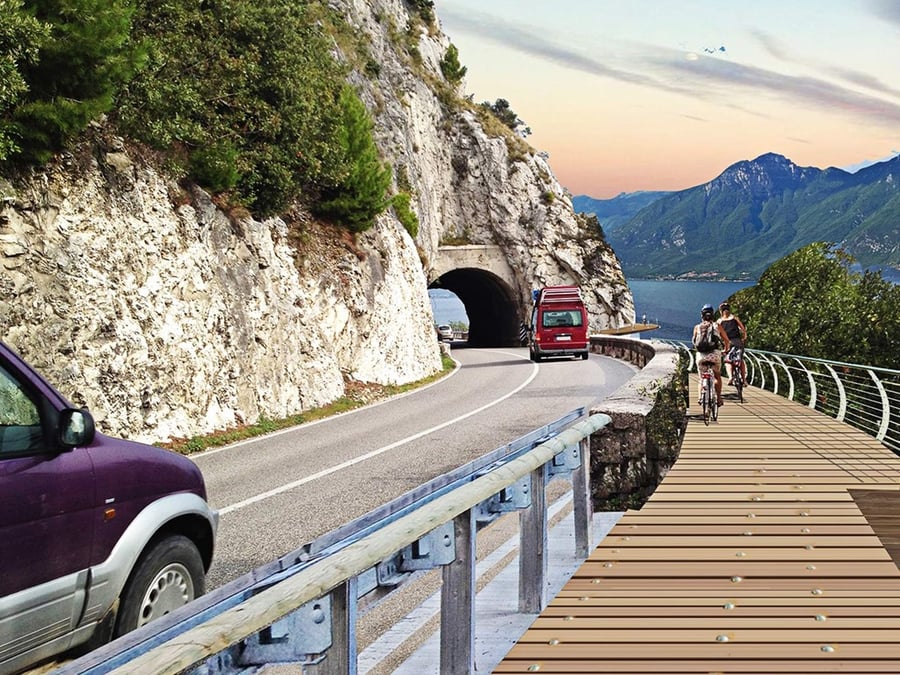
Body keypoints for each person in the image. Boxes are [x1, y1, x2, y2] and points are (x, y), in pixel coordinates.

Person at [692, 303, 730, 406]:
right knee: (717, 375)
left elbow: (694, 342)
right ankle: (718, 398)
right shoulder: (717, 326)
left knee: (701, 377)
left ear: (702, 315)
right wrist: (726, 350)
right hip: (715, 355)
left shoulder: (697, 327)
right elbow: (727, 341)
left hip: (701, 356)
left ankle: (700, 397)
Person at [717, 302, 747, 385]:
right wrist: (744, 337)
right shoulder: (734, 318)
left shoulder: (719, 321)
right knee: (740, 360)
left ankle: (730, 377)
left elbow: (717, 333)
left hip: (727, 343)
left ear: (721, 311)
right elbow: (743, 328)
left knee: (728, 361)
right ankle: (744, 380)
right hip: (738, 341)